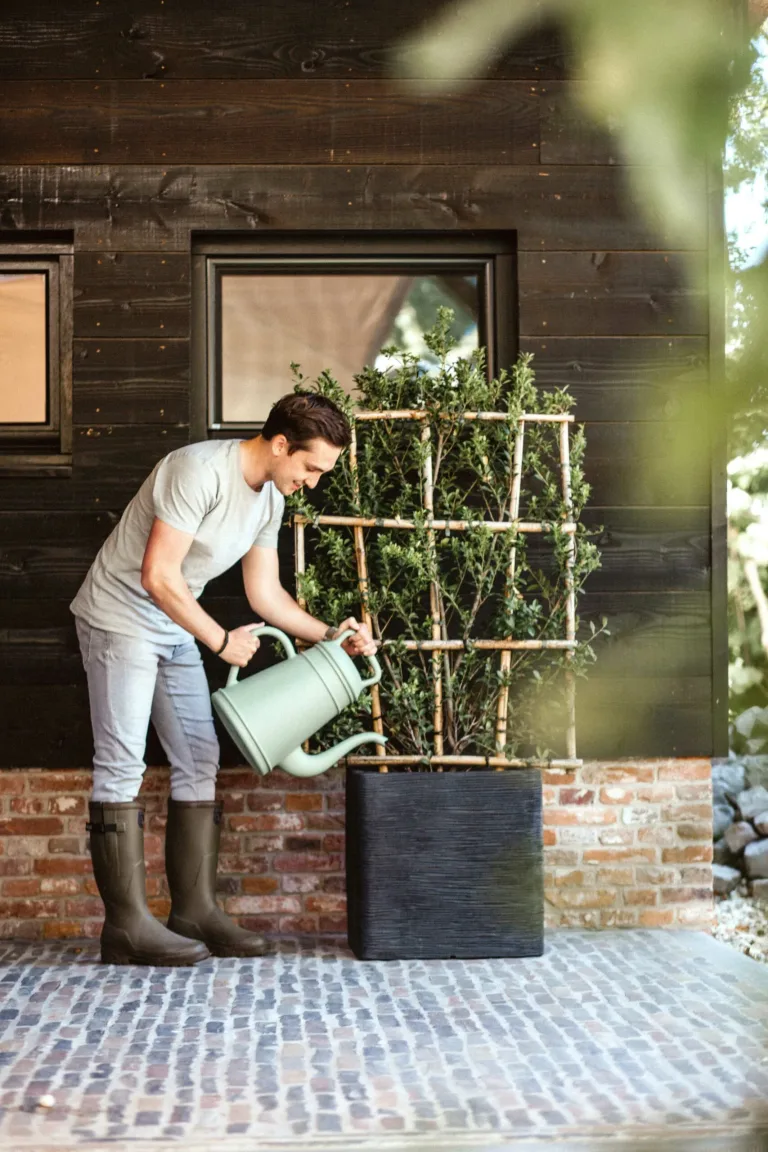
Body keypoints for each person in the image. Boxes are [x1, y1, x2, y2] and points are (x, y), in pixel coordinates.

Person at [70, 392, 375, 967]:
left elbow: (265, 594)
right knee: (122, 764)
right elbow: (158, 575)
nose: (312, 483)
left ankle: (194, 911)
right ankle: (125, 927)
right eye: (311, 468)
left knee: (199, 759)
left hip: (174, 624)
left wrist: (332, 635)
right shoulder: (197, 470)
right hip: (120, 618)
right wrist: (219, 640)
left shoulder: (270, 499)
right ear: (281, 444)